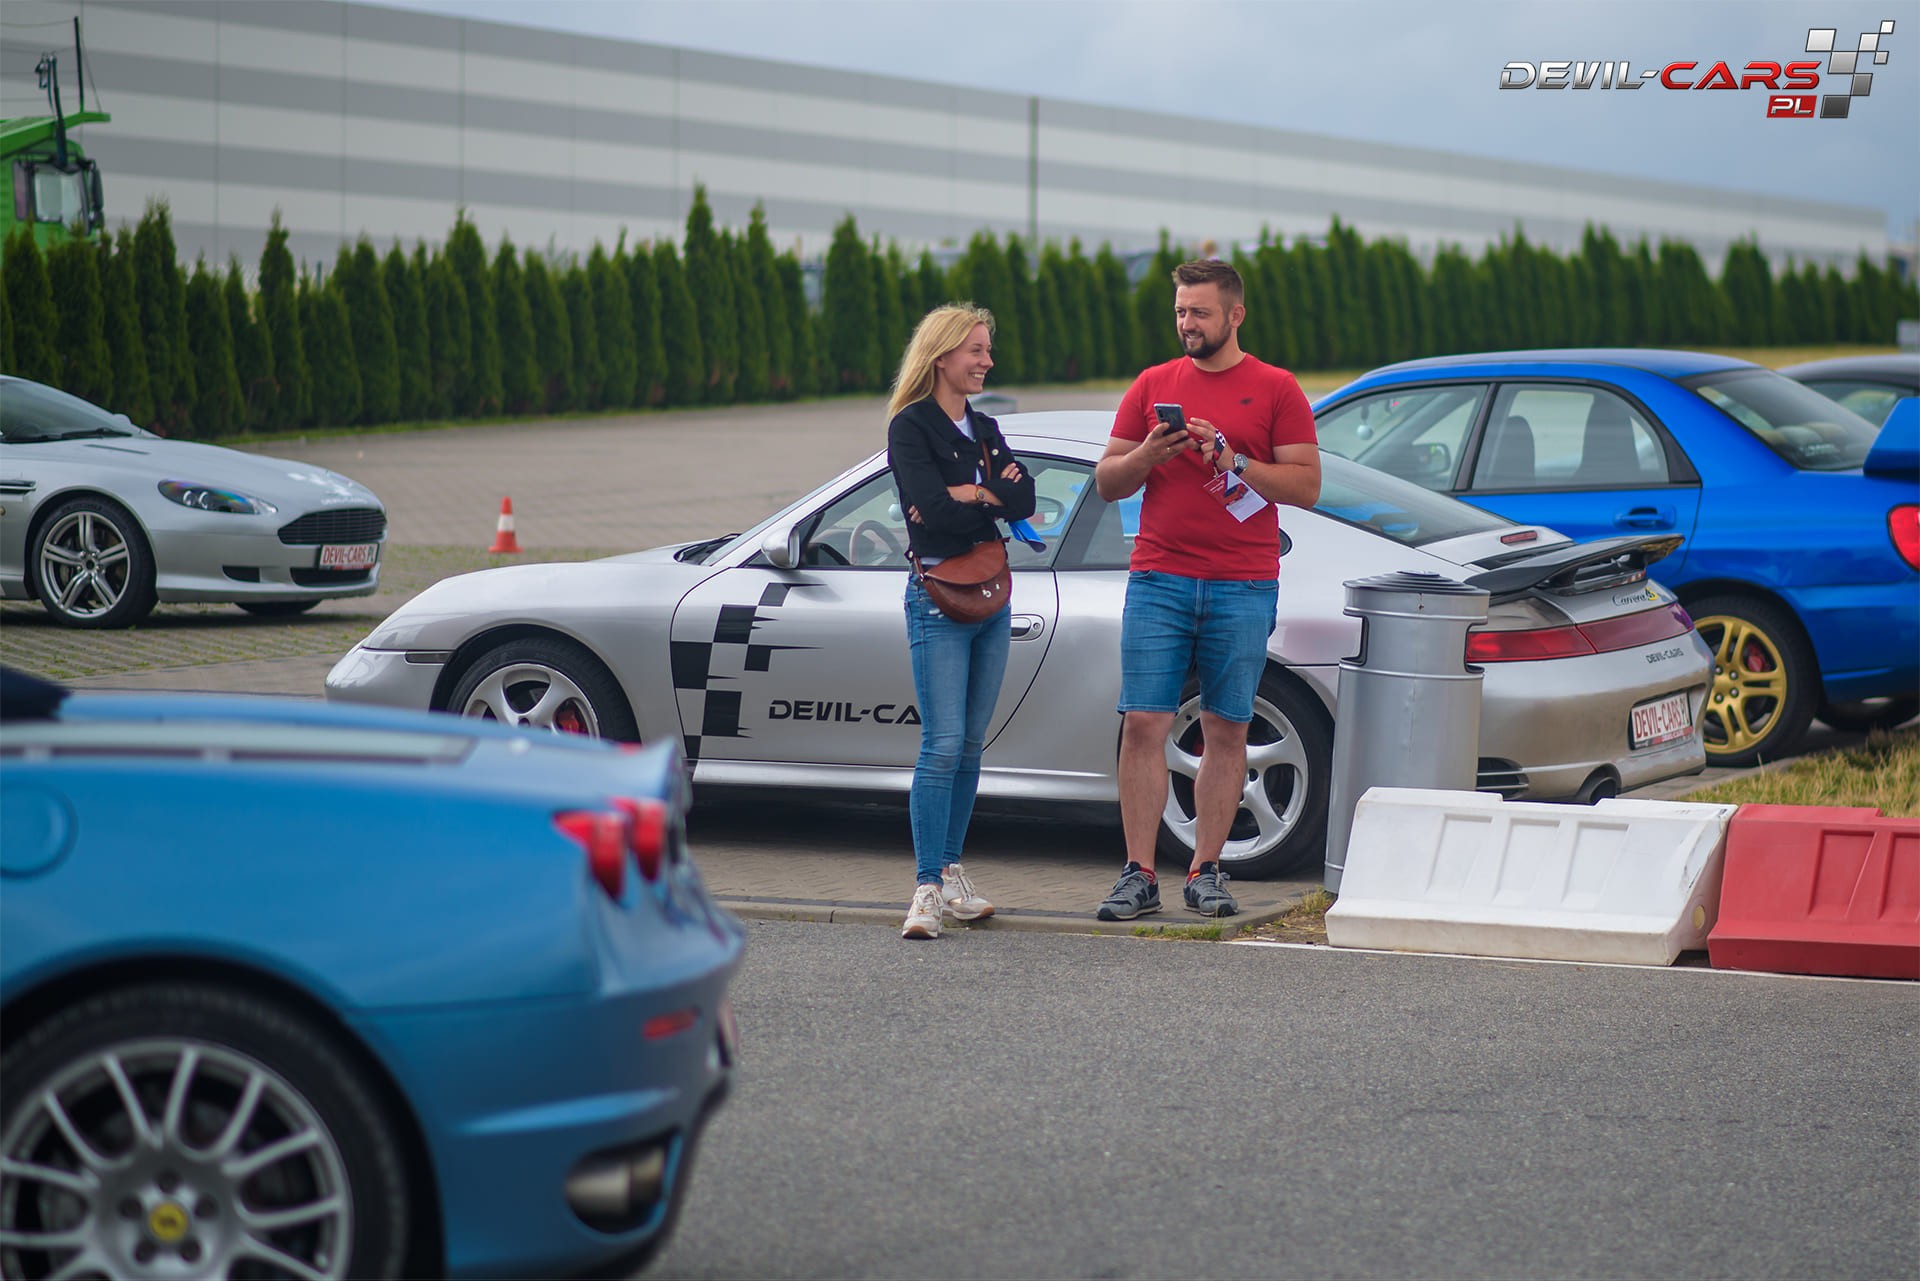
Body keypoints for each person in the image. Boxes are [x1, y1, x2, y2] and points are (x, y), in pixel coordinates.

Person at [1090, 258, 1322, 920]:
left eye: (1199, 312)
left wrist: (1235, 460)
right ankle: (1138, 874)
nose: (1187, 323)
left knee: (1226, 725)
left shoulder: (1276, 388)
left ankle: (1207, 870)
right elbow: (1107, 482)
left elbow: (1307, 485)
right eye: (1180, 312)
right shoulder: (1153, 383)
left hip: (1242, 584)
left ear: (1235, 315)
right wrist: (1147, 456)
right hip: (1158, 579)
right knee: (1144, 722)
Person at [886, 304, 1037, 940]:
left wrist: (970, 494)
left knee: (972, 744)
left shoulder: (985, 427)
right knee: (942, 744)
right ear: (942, 354)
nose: (986, 361)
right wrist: (986, 494)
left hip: (991, 597)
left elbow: (1026, 496)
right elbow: (930, 511)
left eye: (987, 350)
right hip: (937, 598)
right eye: (976, 350)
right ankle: (925, 888)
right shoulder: (910, 426)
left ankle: (950, 874)